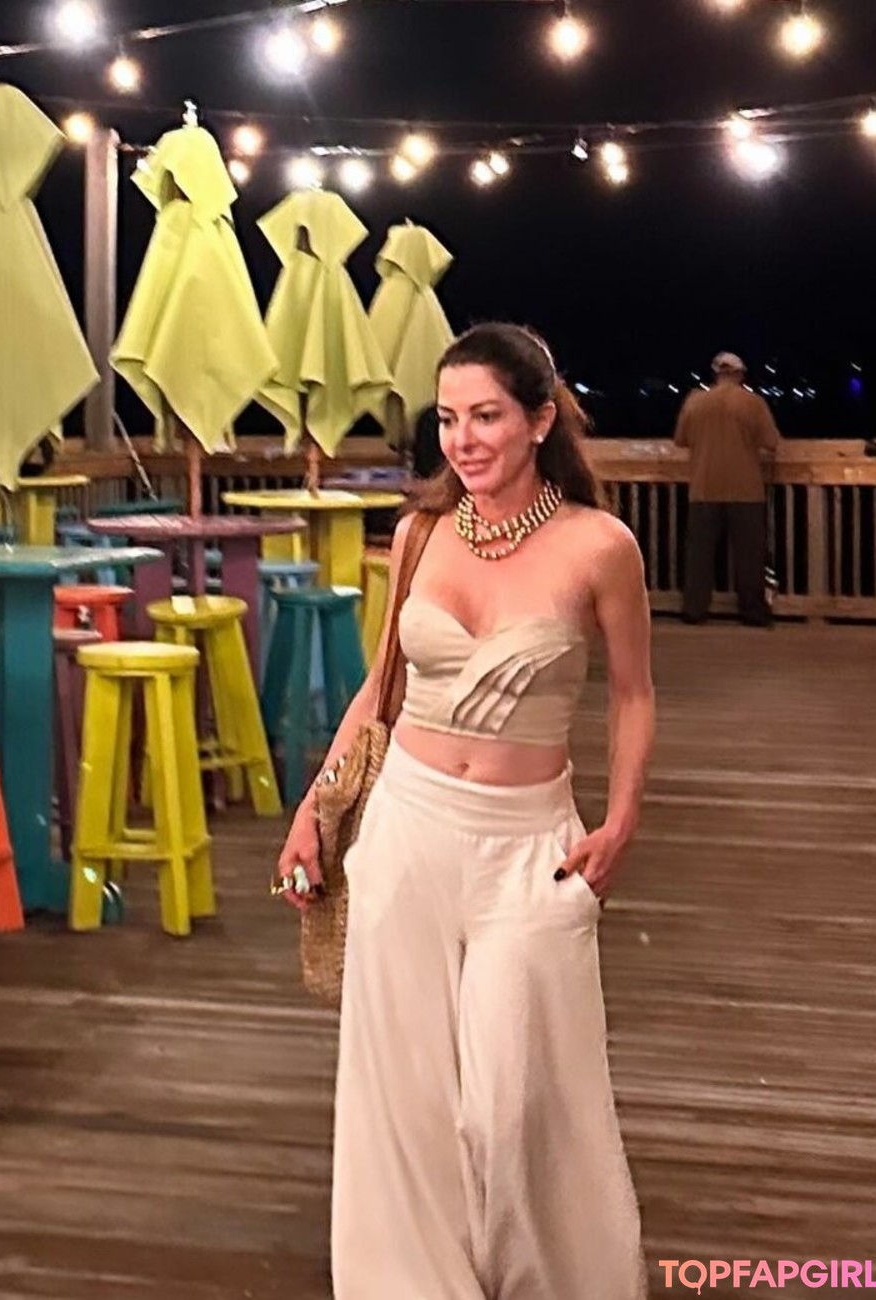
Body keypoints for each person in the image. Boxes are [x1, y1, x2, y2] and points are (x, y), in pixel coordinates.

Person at [276, 322, 655, 1299]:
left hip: (529, 846)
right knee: (400, 1090)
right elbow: (381, 688)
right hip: (407, 828)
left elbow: (633, 695)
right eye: (448, 419)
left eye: (486, 416)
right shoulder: (420, 533)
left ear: (540, 420)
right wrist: (314, 809)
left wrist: (619, 821)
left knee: (511, 1104)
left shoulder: (600, 545)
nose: (463, 439)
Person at [674, 351, 781, 626]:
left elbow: (681, 439)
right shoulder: (752, 403)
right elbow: (771, 441)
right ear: (740, 374)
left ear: (716, 373)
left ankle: (694, 609)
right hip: (746, 488)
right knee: (749, 555)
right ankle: (752, 611)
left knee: (699, 555)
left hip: (703, 486)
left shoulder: (695, 401)